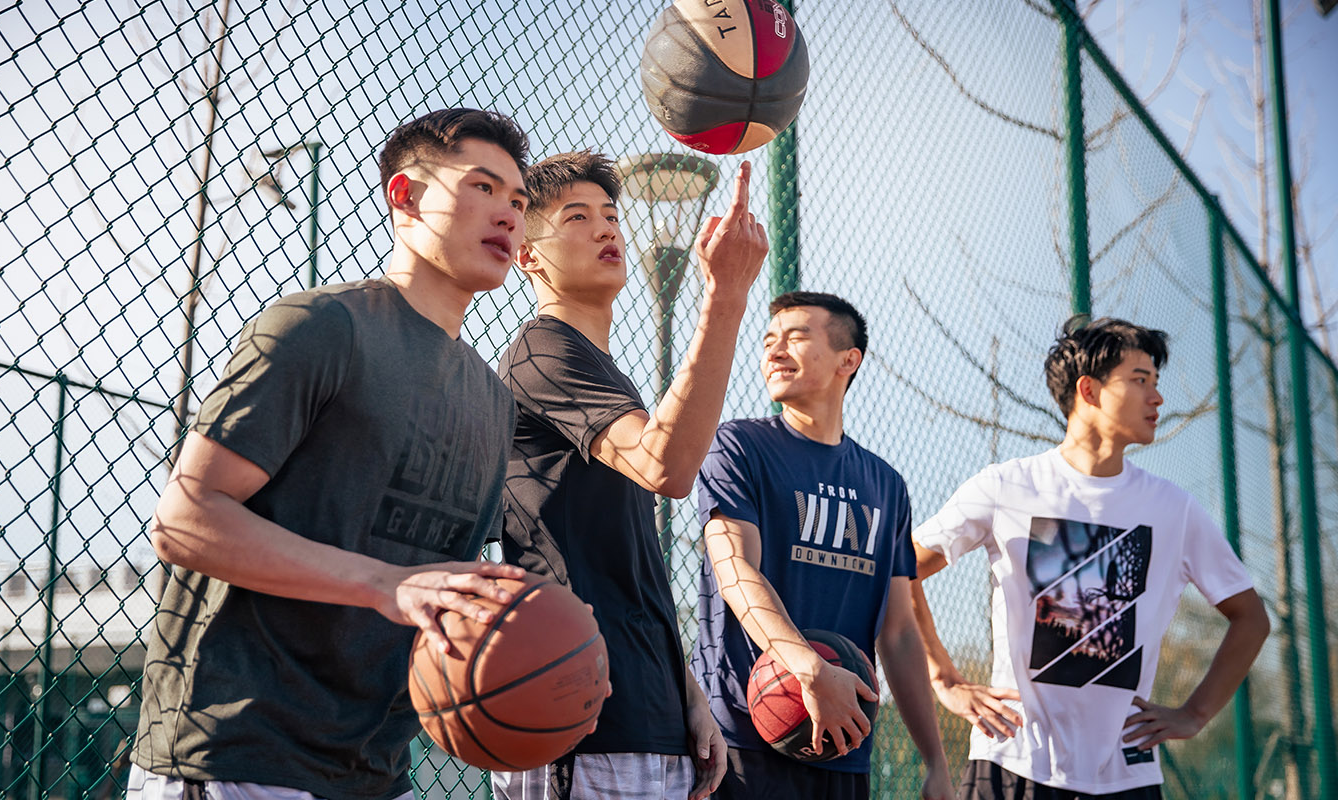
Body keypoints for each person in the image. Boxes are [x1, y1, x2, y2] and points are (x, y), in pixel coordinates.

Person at [128, 108, 536, 800]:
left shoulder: (493, 401)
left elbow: (445, 581)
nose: (508, 213)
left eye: (519, 201)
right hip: (239, 753)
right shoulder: (319, 327)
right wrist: (383, 583)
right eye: (482, 187)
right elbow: (184, 519)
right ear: (404, 197)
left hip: (377, 771)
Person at [492, 150, 767, 800]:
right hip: (579, 721)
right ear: (528, 255)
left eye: (611, 214)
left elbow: (630, 571)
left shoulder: (607, 376)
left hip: (647, 714)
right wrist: (725, 294)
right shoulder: (542, 351)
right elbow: (666, 467)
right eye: (576, 217)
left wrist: (687, 693)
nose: (605, 228)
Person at [910, 316, 1271, 800]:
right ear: (1090, 391)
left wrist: (1195, 714)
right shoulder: (1006, 486)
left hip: (1129, 772)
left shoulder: (1174, 509)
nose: (1157, 398)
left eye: (1156, 383)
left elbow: (1251, 618)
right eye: (1140, 381)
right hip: (1013, 763)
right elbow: (902, 567)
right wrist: (944, 678)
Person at [692, 291, 954, 800]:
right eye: (768, 340)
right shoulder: (737, 446)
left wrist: (935, 760)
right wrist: (810, 670)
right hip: (741, 737)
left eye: (795, 337)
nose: (774, 350)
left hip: (843, 742)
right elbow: (735, 571)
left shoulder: (886, 485)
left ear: (848, 360)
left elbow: (898, 632)